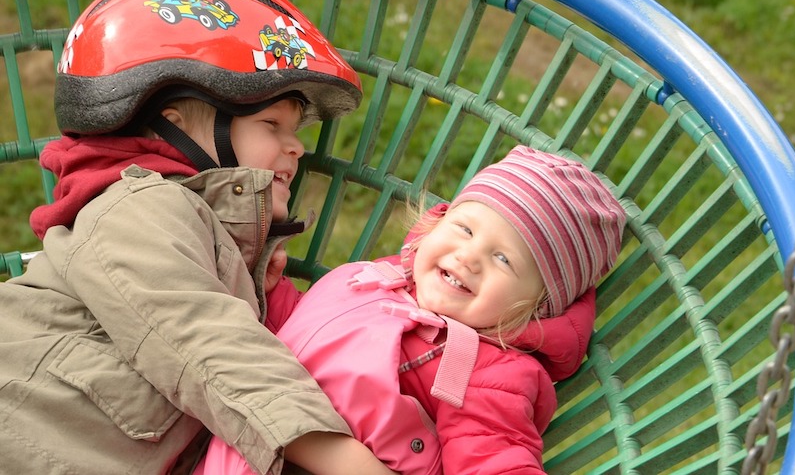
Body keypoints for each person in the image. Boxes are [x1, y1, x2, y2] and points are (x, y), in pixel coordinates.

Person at [0, 0, 394, 475]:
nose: (296, 145)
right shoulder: (136, 207)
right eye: (272, 124)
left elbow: (317, 339)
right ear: (174, 127)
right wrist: (344, 461)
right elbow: (207, 338)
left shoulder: (242, 264)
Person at [198, 144, 628, 475]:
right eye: (464, 228)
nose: (468, 256)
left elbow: (491, 453)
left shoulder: (489, 372)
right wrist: (268, 291)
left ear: (536, 306)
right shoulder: (379, 281)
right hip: (240, 442)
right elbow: (303, 334)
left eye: (504, 259)